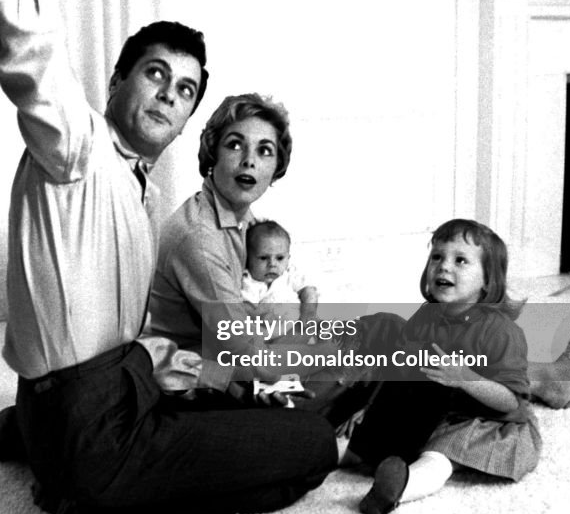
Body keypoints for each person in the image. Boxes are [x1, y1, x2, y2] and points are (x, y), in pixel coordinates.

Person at [0, 0, 337, 514]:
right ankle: (82, 485)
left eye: (185, 88)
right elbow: (30, 52)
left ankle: (53, 453)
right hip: (92, 429)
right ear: (117, 82)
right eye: (155, 75)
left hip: (88, 396)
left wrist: (201, 374)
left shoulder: (143, 193)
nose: (168, 95)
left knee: (239, 410)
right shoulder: (75, 150)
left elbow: (139, 343)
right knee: (311, 446)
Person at [148, 93, 398, 425]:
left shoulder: (244, 222)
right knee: (362, 363)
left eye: (265, 151)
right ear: (212, 155)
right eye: (235, 145)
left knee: (383, 329)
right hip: (216, 385)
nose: (249, 161)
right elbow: (250, 356)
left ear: (276, 167)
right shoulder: (200, 239)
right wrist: (325, 349)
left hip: (250, 357)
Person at [350, 219, 543, 514]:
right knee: (383, 426)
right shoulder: (428, 315)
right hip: (438, 407)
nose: (443, 267)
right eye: (437, 257)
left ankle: (399, 488)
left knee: (441, 452)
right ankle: (339, 453)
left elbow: (511, 401)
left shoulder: (501, 332)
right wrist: (369, 408)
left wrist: (466, 378)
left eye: (460, 260)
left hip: (486, 418)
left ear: (488, 281)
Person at [241, 220, 319, 324]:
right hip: (272, 332)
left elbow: (309, 291)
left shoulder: (289, 273)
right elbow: (247, 310)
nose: (272, 264)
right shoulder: (249, 282)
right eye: (263, 258)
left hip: (301, 321)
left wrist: (309, 313)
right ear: (248, 259)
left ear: (288, 258)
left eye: (280, 258)